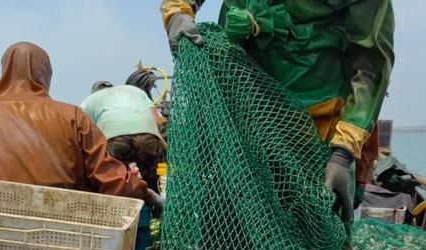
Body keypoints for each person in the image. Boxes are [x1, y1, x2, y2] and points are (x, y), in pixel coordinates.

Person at [159, 0, 394, 227]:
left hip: (315, 127)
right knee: (229, 216)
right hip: (241, 101)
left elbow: (371, 67)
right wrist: (177, 12)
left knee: (316, 225)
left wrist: (343, 152)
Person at [0, 42, 162, 208]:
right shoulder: (71, 116)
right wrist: (142, 190)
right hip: (67, 234)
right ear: (45, 75)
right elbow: (112, 181)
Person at [81, 75, 166, 190]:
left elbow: (84, 130)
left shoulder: (90, 100)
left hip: (115, 139)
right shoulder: (135, 91)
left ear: (95, 92)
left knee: (118, 182)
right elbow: (158, 122)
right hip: (147, 134)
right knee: (156, 182)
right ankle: (158, 204)